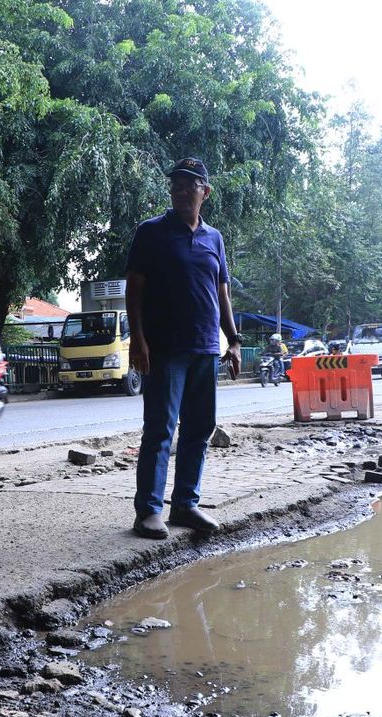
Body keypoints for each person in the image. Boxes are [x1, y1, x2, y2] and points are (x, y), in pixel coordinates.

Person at [126, 156, 243, 540]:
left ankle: (186, 505)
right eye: (176, 184)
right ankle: (148, 511)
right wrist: (138, 340)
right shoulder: (151, 232)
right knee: (160, 429)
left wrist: (234, 339)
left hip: (206, 348)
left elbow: (222, 291)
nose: (180, 190)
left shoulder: (215, 238)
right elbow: (135, 289)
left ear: (204, 192)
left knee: (200, 428)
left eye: (189, 185)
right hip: (164, 348)